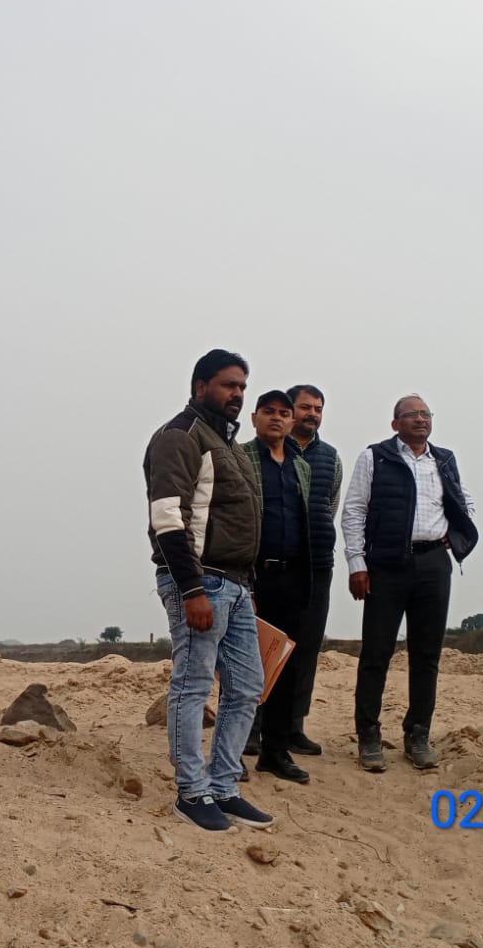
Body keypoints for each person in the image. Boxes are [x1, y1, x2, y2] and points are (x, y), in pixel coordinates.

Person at [144, 349, 272, 832]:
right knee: (193, 684)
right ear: (200, 387)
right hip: (202, 581)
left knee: (247, 687)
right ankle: (191, 792)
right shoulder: (181, 436)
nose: (237, 394)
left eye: (242, 386)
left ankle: (222, 786)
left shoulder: (229, 443)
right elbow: (167, 518)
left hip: (235, 585)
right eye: (228, 385)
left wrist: (246, 586)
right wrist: (191, 588)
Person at [341, 394, 477, 773]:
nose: (420, 419)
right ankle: (368, 735)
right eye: (412, 414)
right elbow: (354, 510)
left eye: (425, 413)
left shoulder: (444, 459)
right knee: (376, 652)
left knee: (427, 655)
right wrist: (356, 563)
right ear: (395, 423)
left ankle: (418, 734)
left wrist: (455, 535)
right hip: (386, 565)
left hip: (434, 563)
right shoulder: (375, 457)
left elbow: (463, 501)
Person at [242, 389, 313, 784]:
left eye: (284, 413)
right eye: (268, 411)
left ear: (291, 421)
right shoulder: (240, 458)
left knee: (286, 666)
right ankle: (234, 749)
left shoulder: (301, 466)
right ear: (254, 417)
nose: (277, 418)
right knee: (243, 666)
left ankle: (275, 751)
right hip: (252, 577)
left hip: (293, 577)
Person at [283, 383, 342, 756]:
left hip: (317, 565)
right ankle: (255, 726)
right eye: (306, 407)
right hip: (276, 565)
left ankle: (294, 727)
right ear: (290, 410)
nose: (313, 414)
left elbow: (330, 505)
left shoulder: (331, 457)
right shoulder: (269, 450)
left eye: (318, 408)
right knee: (267, 648)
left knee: (307, 650)